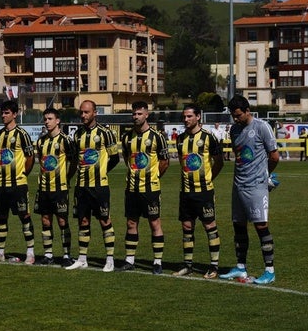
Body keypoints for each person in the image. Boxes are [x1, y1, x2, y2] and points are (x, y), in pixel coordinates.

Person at [219, 95, 280, 284]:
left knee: (261, 225)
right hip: (238, 184)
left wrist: (265, 176)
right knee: (238, 225)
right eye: (233, 116)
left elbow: (274, 156)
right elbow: (239, 157)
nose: (235, 119)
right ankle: (240, 268)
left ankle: (269, 271)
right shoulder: (235, 130)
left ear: (247, 111)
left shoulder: (262, 127)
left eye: (238, 115)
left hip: (256, 185)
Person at [66, 100, 119, 272]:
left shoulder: (105, 133)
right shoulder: (77, 134)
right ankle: (82, 258)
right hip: (81, 186)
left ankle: (110, 260)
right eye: (81, 112)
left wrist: (102, 171)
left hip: (99, 186)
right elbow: (75, 159)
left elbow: (115, 158)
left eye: (86, 112)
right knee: (83, 221)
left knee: (105, 220)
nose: (83, 115)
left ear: (95, 113)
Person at [173, 103, 224, 279]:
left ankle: (214, 266)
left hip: (204, 191)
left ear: (198, 117)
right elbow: (182, 162)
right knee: (187, 227)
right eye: (184, 117)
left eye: (189, 116)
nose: (186, 120)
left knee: (210, 226)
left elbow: (219, 162)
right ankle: (188, 265)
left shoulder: (209, 137)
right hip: (186, 191)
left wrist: (209, 179)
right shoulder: (180, 139)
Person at [119, 101, 169, 274]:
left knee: (154, 223)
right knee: (131, 222)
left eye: (139, 114)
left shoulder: (157, 137)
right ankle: (129, 260)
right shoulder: (126, 137)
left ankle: (157, 262)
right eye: (134, 114)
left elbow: (164, 161)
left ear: (146, 115)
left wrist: (154, 177)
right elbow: (127, 158)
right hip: (132, 188)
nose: (136, 117)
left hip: (150, 189)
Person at [0, 100, 36, 264]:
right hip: (0, 184)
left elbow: (30, 158)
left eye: (7, 112)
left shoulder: (22, 134)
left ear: (15, 114)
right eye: (2, 112)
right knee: (1, 218)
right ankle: (0, 252)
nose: (3, 115)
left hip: (18, 184)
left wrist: (23, 173)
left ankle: (30, 252)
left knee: (24, 216)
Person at [35, 108, 77, 267]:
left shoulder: (66, 140)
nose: (47, 121)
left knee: (62, 221)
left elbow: (73, 162)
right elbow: (42, 161)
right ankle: (48, 254)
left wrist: (67, 177)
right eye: (45, 119)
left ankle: (66, 255)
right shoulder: (41, 141)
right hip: (44, 188)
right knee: (45, 221)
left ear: (57, 120)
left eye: (50, 118)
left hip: (60, 189)